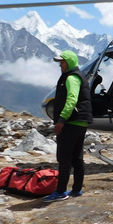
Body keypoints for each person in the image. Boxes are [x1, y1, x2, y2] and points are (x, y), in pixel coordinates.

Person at [44, 50, 94, 202]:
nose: (60, 65)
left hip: (71, 123)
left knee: (64, 158)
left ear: (70, 62)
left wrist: (61, 121)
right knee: (77, 157)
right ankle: (77, 189)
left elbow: (71, 100)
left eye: (63, 62)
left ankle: (60, 192)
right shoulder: (79, 76)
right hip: (80, 122)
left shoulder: (71, 78)